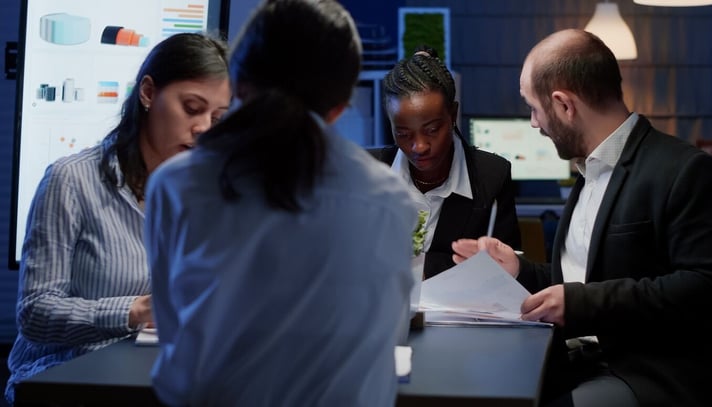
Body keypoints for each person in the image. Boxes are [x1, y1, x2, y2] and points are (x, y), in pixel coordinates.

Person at [144, 0, 418, 405]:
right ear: (340, 106)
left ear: (237, 83)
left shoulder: (174, 183)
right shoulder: (389, 198)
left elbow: (171, 329)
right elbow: (388, 336)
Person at [452, 28, 712, 407]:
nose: (533, 123)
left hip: (645, 372)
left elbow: (708, 287)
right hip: (572, 360)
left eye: (534, 107)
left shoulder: (686, 170)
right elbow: (584, 281)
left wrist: (581, 304)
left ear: (565, 105)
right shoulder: (588, 172)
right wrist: (518, 269)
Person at [4, 32, 231, 405]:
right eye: (192, 108)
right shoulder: (72, 180)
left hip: (149, 374)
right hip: (64, 380)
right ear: (147, 93)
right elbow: (35, 313)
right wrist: (135, 311)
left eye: (217, 117)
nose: (204, 127)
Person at [369, 46, 521, 279]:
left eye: (431, 130)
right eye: (403, 133)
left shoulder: (490, 176)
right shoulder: (367, 173)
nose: (419, 146)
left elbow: (506, 268)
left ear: (453, 115)